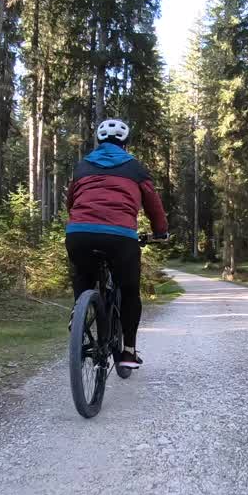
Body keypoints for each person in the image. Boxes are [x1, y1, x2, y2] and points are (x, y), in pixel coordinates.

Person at [66, 118, 168, 369]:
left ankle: (79, 309)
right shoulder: (135, 168)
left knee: (83, 273)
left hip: (79, 232)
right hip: (120, 236)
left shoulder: (83, 166)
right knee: (130, 290)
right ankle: (129, 352)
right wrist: (160, 232)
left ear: (99, 141)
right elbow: (154, 206)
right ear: (125, 143)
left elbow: (70, 202)